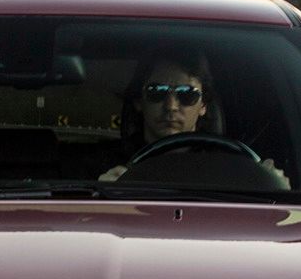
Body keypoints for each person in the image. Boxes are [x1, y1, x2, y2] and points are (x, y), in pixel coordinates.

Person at [97, 51, 290, 190]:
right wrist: (98, 194)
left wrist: (275, 188)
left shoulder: (236, 168)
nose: (171, 106)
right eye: (157, 92)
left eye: (187, 95)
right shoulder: (100, 163)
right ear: (138, 101)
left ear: (203, 105)